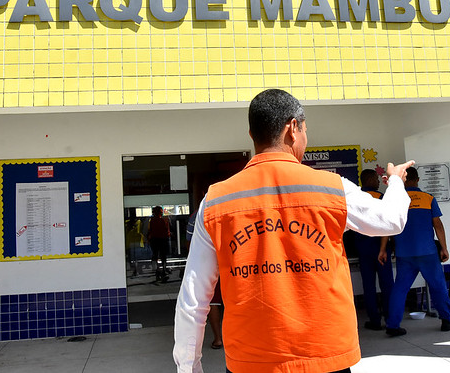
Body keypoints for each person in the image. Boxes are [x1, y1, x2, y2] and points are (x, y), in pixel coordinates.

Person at [174, 88, 414, 373]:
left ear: (252, 134)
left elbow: (193, 298)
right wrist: (395, 180)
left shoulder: (216, 200)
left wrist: (189, 367)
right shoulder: (332, 187)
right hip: (324, 357)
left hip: (251, 361)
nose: (305, 138)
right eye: (305, 130)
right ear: (292, 128)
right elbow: (391, 220)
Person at [382, 166, 450, 336]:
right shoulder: (428, 198)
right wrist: (444, 248)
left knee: (400, 289)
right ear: (417, 180)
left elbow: (387, 227)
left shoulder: (395, 200)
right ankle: (446, 320)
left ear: (403, 181)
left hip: (404, 254)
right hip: (428, 252)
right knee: (438, 286)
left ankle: (392, 325)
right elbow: (437, 225)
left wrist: (382, 249)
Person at [355, 168, 394, 330]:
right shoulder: (381, 198)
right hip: (381, 248)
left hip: (363, 248)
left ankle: (374, 321)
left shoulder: (356, 198)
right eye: (376, 179)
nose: (378, 182)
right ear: (369, 179)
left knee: (368, 286)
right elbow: (387, 223)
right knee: (387, 285)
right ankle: (390, 319)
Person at [185, 210, 224, 350]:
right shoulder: (229, 207)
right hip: (230, 260)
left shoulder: (197, 215)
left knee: (213, 301)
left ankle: (218, 339)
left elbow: (189, 243)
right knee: (235, 298)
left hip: (208, 263)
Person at [147, 205, 171, 282]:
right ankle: (163, 270)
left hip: (155, 239)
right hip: (162, 239)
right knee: (163, 256)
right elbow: (167, 230)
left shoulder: (152, 220)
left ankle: (158, 270)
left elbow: (149, 231)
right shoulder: (165, 220)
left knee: (156, 255)